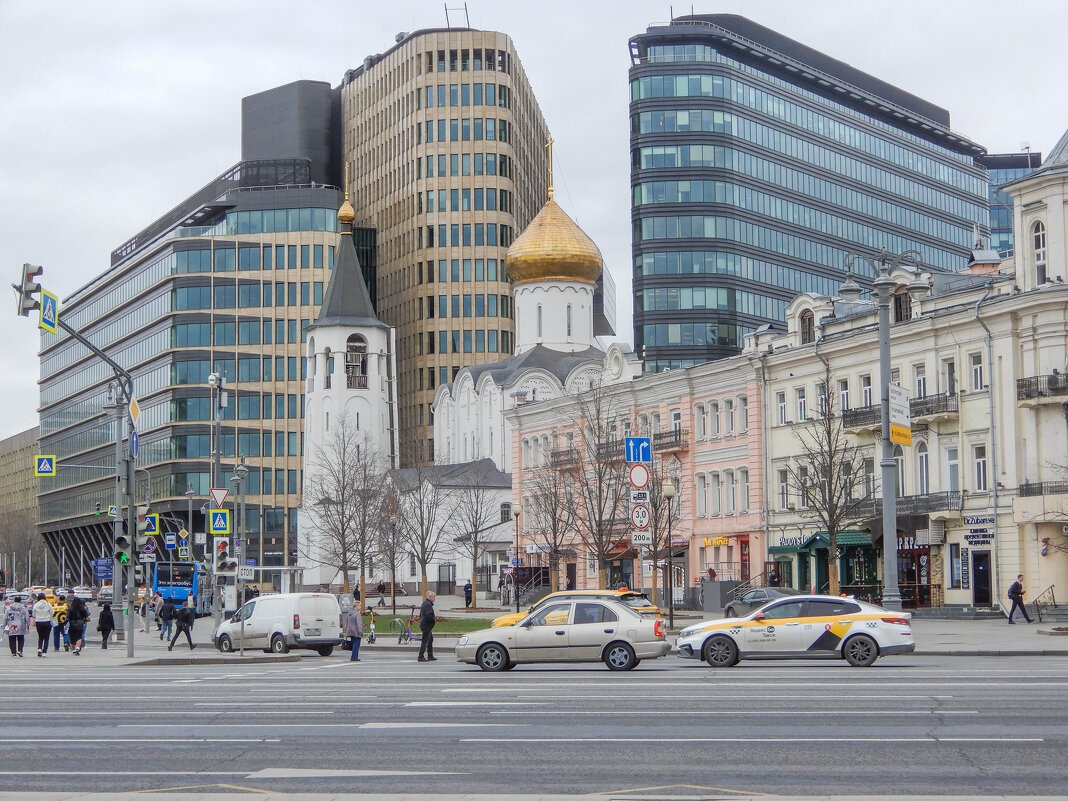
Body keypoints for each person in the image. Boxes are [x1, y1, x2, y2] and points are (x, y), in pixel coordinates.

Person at [417, 591, 437, 662]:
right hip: (426, 624)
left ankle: (430, 655)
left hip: (424, 623)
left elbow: (421, 614)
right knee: (425, 640)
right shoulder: (428, 605)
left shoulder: (425, 603)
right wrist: (433, 620)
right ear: (430, 597)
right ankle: (420, 656)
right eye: (434, 597)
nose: (434, 598)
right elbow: (429, 615)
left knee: (430, 639)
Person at [31, 593, 54, 657]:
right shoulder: (48, 604)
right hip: (47, 621)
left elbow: (33, 614)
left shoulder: (36, 605)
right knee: (46, 637)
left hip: (39, 622)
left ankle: (39, 648)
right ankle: (44, 651)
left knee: (40, 636)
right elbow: (52, 612)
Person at [345, 594, 364, 662]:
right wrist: (360, 633)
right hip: (356, 631)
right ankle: (354, 657)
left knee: (353, 643)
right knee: (356, 644)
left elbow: (347, 622)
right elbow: (359, 624)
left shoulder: (349, 613)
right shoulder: (357, 614)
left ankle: (353, 656)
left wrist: (347, 630)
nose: (360, 607)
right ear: (356, 606)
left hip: (350, 631)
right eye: (360, 606)